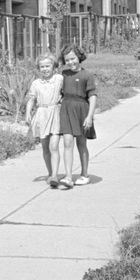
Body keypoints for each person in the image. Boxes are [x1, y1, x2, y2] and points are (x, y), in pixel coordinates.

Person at [58, 44, 97, 189]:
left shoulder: (87, 75)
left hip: (82, 110)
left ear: (79, 57)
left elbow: (92, 96)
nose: (70, 62)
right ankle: (68, 177)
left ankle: (84, 174)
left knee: (81, 143)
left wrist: (89, 116)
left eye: (73, 58)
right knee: (67, 142)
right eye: (67, 60)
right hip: (66, 110)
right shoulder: (64, 74)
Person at [25, 52, 63, 188]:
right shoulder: (36, 83)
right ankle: (50, 172)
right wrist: (28, 112)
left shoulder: (59, 79)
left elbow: (67, 91)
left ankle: (55, 175)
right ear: (38, 68)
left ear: (53, 67)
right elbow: (31, 98)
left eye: (48, 66)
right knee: (45, 147)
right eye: (42, 67)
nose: (45, 69)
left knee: (54, 146)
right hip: (42, 114)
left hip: (55, 113)